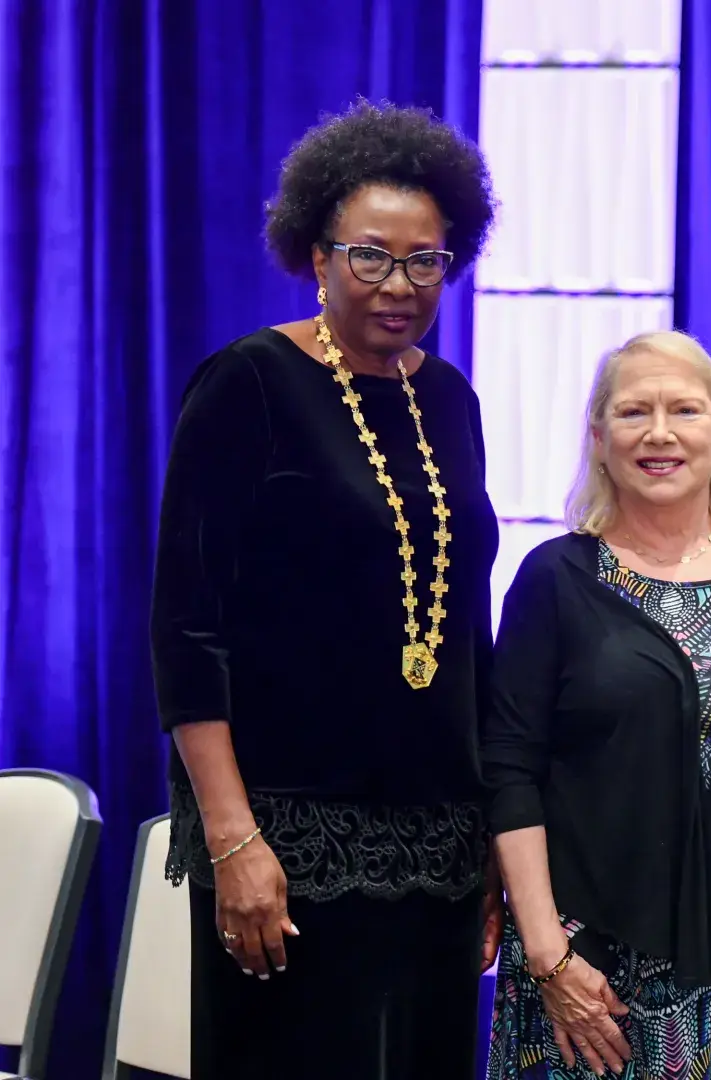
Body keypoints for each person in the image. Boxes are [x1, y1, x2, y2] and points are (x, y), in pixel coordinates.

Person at [150, 99, 502, 1079]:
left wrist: (488, 844)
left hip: (436, 843)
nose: (399, 284)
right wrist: (232, 840)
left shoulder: (450, 399)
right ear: (317, 255)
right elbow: (186, 630)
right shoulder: (247, 385)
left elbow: (465, 632)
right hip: (287, 836)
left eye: (424, 259)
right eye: (371, 256)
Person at [481, 330, 711, 1079]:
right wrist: (549, 958)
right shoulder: (552, 578)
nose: (659, 433)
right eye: (632, 413)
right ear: (598, 437)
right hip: (586, 982)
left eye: (684, 410)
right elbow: (508, 767)